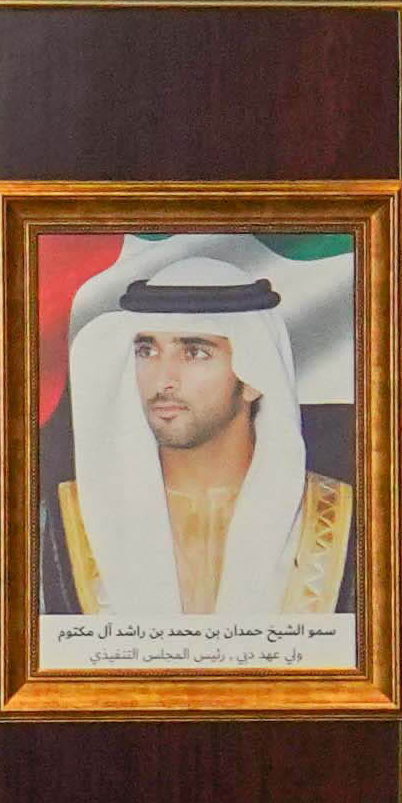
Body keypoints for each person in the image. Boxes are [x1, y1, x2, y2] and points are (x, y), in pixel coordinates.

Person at [34, 237, 355, 628]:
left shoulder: (348, 523)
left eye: (194, 352)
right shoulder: (59, 524)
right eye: (147, 351)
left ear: (254, 375)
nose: (163, 380)